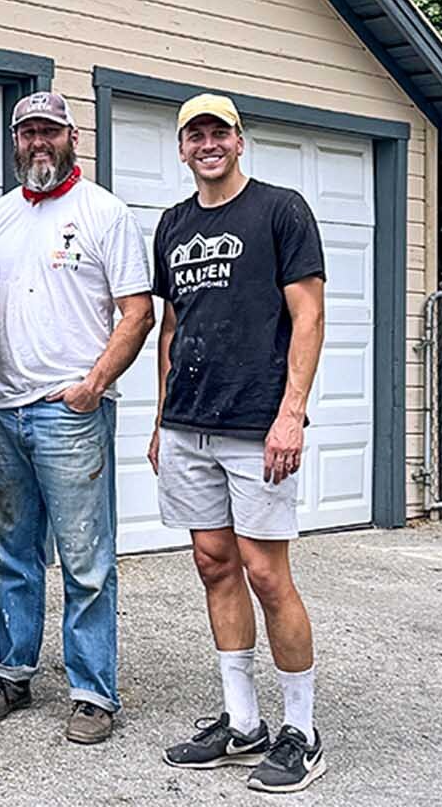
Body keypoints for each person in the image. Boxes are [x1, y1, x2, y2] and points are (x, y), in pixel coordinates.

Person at [149, 95, 328, 793]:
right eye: (195, 134)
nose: (208, 144)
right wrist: (160, 419)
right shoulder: (173, 224)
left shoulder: (280, 210)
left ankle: (302, 732)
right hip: (188, 424)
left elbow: (308, 316)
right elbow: (172, 327)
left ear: (239, 140)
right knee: (213, 563)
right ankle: (243, 720)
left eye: (218, 132)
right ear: (182, 147)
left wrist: (291, 414)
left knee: (266, 572)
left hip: (257, 424)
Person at [0, 91, 154, 744]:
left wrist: (93, 385)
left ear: (73, 136)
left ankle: (93, 693)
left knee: (85, 559)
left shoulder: (104, 213)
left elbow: (137, 312)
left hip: (69, 415)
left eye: (49, 131)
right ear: (15, 142)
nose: (38, 142)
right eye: (28, 133)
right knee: (11, 555)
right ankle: (12, 673)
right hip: (3, 412)